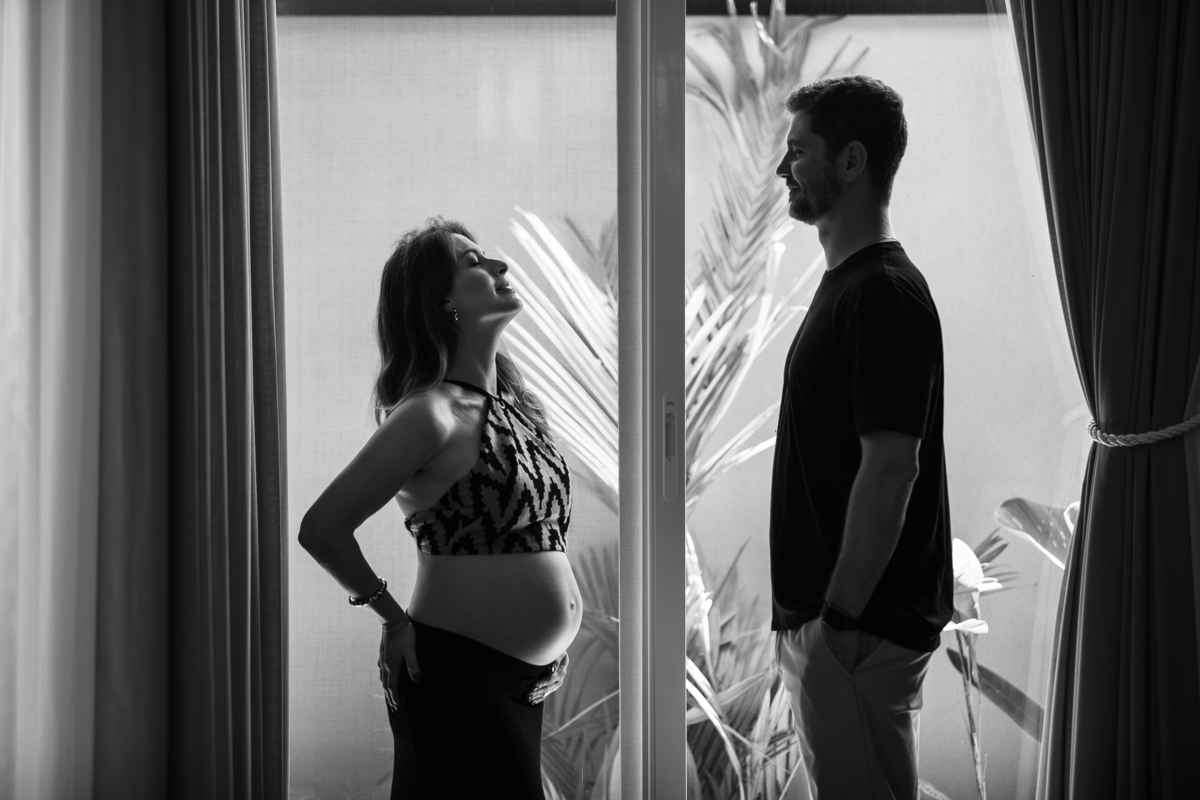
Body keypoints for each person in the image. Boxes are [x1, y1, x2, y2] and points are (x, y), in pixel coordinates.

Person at [298, 218, 581, 800]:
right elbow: (322, 528)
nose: (499, 265)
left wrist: (550, 646)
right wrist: (392, 617)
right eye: (473, 262)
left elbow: (538, 541)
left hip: (520, 685)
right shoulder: (429, 413)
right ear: (441, 301)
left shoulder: (518, 411)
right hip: (457, 681)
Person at [769, 74, 953, 800]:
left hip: (856, 632)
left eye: (798, 151)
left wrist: (838, 621)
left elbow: (891, 469)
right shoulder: (851, 284)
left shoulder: (882, 294)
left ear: (851, 161)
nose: (783, 169)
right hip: (842, 632)